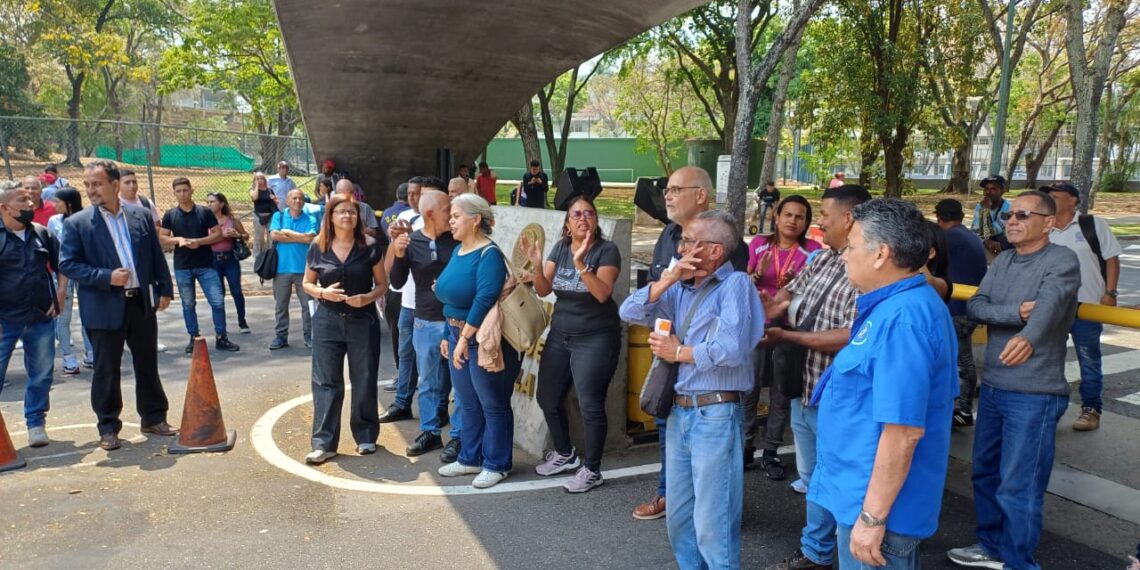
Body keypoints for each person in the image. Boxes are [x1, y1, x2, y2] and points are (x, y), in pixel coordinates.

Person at [809, 199, 957, 570]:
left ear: (881, 255)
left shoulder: (903, 320)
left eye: (853, 246)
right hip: (861, 495)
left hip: (878, 510)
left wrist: (872, 518)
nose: (845, 255)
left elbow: (903, 431)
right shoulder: (894, 307)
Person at [620, 209, 765, 569]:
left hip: (715, 412)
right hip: (679, 411)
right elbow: (628, 311)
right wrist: (668, 279)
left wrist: (680, 352)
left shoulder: (736, 286)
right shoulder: (680, 289)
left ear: (714, 250)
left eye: (688, 240)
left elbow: (733, 348)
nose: (680, 246)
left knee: (713, 521)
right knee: (680, 518)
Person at [947, 190, 1080, 570]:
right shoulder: (1003, 260)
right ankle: (991, 547)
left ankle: (1019, 562)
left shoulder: (1062, 260)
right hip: (995, 389)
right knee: (985, 473)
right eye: (1010, 216)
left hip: (1035, 394)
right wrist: (1015, 315)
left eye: (1022, 214)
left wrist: (1029, 335)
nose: (1012, 221)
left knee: (1019, 485)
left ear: (1049, 222)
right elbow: (977, 305)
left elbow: (1050, 305)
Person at [633, 165, 749, 521]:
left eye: (675, 189)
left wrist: (686, 349)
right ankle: (673, 497)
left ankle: (713, 511)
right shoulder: (668, 234)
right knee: (669, 430)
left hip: (706, 371)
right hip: (668, 355)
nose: (666, 195)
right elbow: (656, 291)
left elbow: (727, 318)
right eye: (666, 189)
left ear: (701, 195)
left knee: (712, 447)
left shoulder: (729, 246)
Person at [765, 184, 871, 570]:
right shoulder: (822, 260)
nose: (818, 223)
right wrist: (760, 306)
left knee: (840, 483)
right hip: (803, 390)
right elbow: (786, 298)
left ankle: (840, 554)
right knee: (813, 477)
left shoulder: (867, 271)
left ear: (848, 218)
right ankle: (816, 551)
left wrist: (788, 335)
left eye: (823, 215)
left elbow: (852, 336)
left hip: (837, 397)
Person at [59, 160, 178, 451]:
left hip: (140, 302)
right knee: (106, 369)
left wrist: (164, 289)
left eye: (97, 184)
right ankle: (108, 426)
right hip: (103, 307)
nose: (91, 190)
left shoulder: (139, 216)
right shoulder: (78, 223)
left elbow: (155, 255)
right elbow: (68, 264)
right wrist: (104, 277)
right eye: (87, 185)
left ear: (114, 184)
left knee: (147, 363)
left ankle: (153, 417)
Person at [525, 195, 622, 493]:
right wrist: (538, 265)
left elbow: (602, 293)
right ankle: (565, 454)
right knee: (547, 397)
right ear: (567, 224)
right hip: (560, 335)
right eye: (576, 214)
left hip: (596, 337)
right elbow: (543, 290)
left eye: (589, 213)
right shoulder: (560, 248)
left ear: (596, 220)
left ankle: (592, 470)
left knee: (590, 404)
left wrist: (581, 263)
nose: (583, 218)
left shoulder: (607, 251)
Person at [301, 194, 387, 464]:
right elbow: (307, 283)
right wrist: (323, 292)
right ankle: (324, 442)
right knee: (326, 382)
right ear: (331, 216)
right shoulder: (318, 245)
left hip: (362, 320)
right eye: (341, 211)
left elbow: (382, 285)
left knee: (364, 377)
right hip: (328, 320)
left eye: (352, 211)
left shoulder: (370, 245)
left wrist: (368, 298)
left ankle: (365, 435)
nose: (347, 216)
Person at [434, 194, 512, 489]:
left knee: (492, 402)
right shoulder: (459, 250)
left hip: (478, 338)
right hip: (456, 334)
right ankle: (470, 458)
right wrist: (448, 334)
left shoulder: (488, 254)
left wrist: (463, 338)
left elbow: (484, 299)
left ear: (476, 219)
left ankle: (497, 463)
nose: (450, 221)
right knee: (468, 402)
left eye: (456, 216)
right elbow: (450, 298)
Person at [742, 195, 820, 478]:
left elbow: (816, 289)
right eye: (788, 214)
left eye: (800, 217)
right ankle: (746, 446)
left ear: (806, 223)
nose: (793, 221)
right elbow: (745, 282)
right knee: (748, 388)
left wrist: (794, 286)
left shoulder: (813, 251)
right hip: (757, 326)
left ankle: (772, 451)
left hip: (790, 329)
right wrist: (754, 276)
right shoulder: (760, 244)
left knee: (780, 391)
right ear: (776, 217)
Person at [389, 190, 464, 462]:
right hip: (425, 322)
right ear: (431, 214)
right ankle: (430, 432)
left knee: (461, 384)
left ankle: (458, 436)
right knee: (429, 382)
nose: (452, 213)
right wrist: (398, 254)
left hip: (456, 323)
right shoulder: (411, 242)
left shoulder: (458, 240)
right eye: (447, 209)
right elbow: (396, 283)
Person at [1044, 182, 1121, 432]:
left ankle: (1091, 408)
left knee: (1089, 360)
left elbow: (1111, 259)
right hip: (1053, 306)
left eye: (1055, 196)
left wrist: (1110, 292)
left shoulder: (1092, 225)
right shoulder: (1044, 227)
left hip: (1087, 307)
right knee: (1050, 359)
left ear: (1073, 200)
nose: (1050, 199)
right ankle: (1052, 408)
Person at [0, 180, 60, 448]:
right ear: (4, 208)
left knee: (41, 373)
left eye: (29, 199)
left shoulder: (41, 233)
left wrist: (60, 295)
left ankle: (36, 423)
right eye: (21, 201)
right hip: (5, 320)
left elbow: (63, 265)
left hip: (40, 316)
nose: (29, 205)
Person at [159, 178, 240, 354]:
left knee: (217, 301)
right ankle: (194, 338)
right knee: (188, 304)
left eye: (185, 190)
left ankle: (221, 337)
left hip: (206, 265)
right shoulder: (170, 215)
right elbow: (162, 238)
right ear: (174, 193)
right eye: (178, 191)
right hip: (183, 266)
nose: (182, 194)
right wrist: (178, 240)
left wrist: (199, 242)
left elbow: (218, 234)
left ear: (191, 191)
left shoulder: (204, 212)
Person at [935, 199, 988, 426]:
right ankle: (961, 407)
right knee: (962, 358)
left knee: (959, 360)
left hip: (956, 308)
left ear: (939, 217)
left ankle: (963, 408)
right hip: (969, 306)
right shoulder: (968, 235)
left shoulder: (949, 238)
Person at [48, 188, 94, 374]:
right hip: (62, 273)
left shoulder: (85, 218)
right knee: (64, 316)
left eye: (57, 201)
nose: (54, 205)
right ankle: (68, 356)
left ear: (68, 202)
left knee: (87, 314)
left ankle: (91, 352)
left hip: (83, 271)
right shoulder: (54, 221)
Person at [269, 188, 318, 350]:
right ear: (287, 201)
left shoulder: (310, 218)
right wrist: (300, 237)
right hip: (282, 269)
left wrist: (288, 232)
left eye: (301, 198)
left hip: (305, 270)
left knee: (308, 305)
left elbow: (311, 239)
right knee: (281, 306)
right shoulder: (279, 216)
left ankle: (309, 335)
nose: (298, 201)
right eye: (294, 198)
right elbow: (275, 235)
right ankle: (281, 336)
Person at [206, 192, 251, 334]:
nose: (209, 205)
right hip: (213, 259)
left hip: (230, 259)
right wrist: (220, 236)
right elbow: (202, 239)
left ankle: (242, 320)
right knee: (219, 294)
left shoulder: (231, 220)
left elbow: (246, 235)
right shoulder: (205, 220)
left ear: (221, 204)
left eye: (212, 202)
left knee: (236, 290)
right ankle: (221, 325)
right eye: (208, 202)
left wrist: (237, 235)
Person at [380, 182, 413, 376]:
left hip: (413, 292)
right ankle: (403, 379)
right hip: (399, 288)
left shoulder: (386, 214)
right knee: (400, 337)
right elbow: (393, 247)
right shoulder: (402, 217)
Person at [971, 175, 1013, 257]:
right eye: (986, 189)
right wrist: (986, 241)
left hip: (1006, 247)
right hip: (989, 243)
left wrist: (985, 210)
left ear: (1002, 191)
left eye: (993, 189)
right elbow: (975, 230)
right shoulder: (980, 206)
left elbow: (987, 233)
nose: (988, 192)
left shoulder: (1009, 208)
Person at [250, 172, 278, 256]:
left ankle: (270, 256)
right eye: (258, 179)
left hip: (270, 216)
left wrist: (275, 199)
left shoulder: (269, 190)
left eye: (262, 178)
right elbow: (254, 198)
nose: (260, 180)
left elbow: (276, 202)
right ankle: (257, 256)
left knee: (271, 237)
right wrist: (257, 186)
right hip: (259, 216)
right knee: (259, 238)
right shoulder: (252, 190)